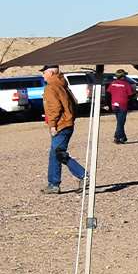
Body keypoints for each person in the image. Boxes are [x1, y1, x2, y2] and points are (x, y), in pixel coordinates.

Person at [41, 66, 87, 194]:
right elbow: (74, 103)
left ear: (50, 72)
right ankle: (53, 184)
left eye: (44, 73)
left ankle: (83, 175)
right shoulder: (63, 84)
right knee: (54, 153)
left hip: (61, 125)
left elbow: (54, 108)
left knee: (58, 153)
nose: (42, 75)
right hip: (67, 123)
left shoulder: (51, 87)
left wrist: (53, 125)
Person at [106, 69, 135, 144]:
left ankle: (123, 137)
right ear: (122, 76)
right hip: (122, 105)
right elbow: (131, 95)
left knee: (120, 122)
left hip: (114, 105)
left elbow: (108, 93)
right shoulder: (126, 84)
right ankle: (117, 137)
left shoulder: (112, 83)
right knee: (121, 122)